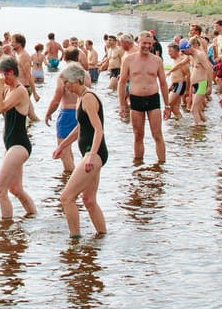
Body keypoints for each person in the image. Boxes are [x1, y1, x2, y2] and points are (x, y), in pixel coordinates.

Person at [52, 63, 108, 240]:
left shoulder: (89, 98)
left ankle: (74, 240)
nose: (65, 87)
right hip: (91, 153)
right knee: (89, 201)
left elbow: (98, 130)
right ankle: (102, 237)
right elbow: (80, 128)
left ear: (76, 80)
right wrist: (62, 146)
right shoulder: (81, 98)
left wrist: (91, 155)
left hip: (94, 153)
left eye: (66, 83)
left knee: (66, 198)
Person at [0, 56, 37, 219]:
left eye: (0, 74)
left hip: (19, 146)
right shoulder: (6, 89)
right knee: (16, 189)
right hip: (10, 145)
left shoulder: (20, 91)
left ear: (10, 73)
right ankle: (33, 216)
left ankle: (5, 229)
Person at [118, 31, 169, 165]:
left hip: (153, 98)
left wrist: (167, 105)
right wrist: (122, 104)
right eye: (143, 43)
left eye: (149, 43)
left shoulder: (157, 60)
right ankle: (138, 165)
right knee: (138, 135)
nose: (146, 46)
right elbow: (122, 82)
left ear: (152, 44)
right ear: (138, 43)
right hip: (136, 99)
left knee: (157, 134)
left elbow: (163, 83)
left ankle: (161, 165)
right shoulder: (128, 59)